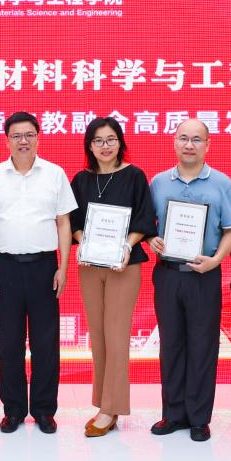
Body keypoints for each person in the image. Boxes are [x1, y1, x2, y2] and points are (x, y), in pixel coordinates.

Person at [0, 111, 77, 434]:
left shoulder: (55, 174)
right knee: (9, 342)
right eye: (16, 135)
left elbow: (63, 222)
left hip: (45, 266)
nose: (23, 141)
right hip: (5, 266)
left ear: (38, 138)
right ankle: (14, 409)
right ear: (7, 140)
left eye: (29, 135)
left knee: (46, 342)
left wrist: (63, 266)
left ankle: (44, 410)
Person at [149, 118, 231, 442]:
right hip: (168, 274)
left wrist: (216, 260)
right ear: (174, 142)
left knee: (203, 346)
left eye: (197, 139)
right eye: (183, 138)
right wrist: (151, 240)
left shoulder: (221, 183)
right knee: (171, 345)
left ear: (207, 144)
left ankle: (199, 418)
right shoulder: (159, 182)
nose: (189, 145)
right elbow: (147, 226)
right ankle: (173, 414)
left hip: (204, 275)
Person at [70, 117, 156, 437]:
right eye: (98, 141)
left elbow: (145, 219)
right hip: (90, 266)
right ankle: (103, 404)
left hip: (124, 264)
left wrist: (126, 246)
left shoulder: (134, 176)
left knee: (117, 336)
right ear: (89, 146)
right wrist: (82, 242)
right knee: (98, 336)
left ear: (120, 142)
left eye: (111, 139)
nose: (105, 146)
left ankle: (111, 408)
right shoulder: (81, 180)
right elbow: (73, 221)